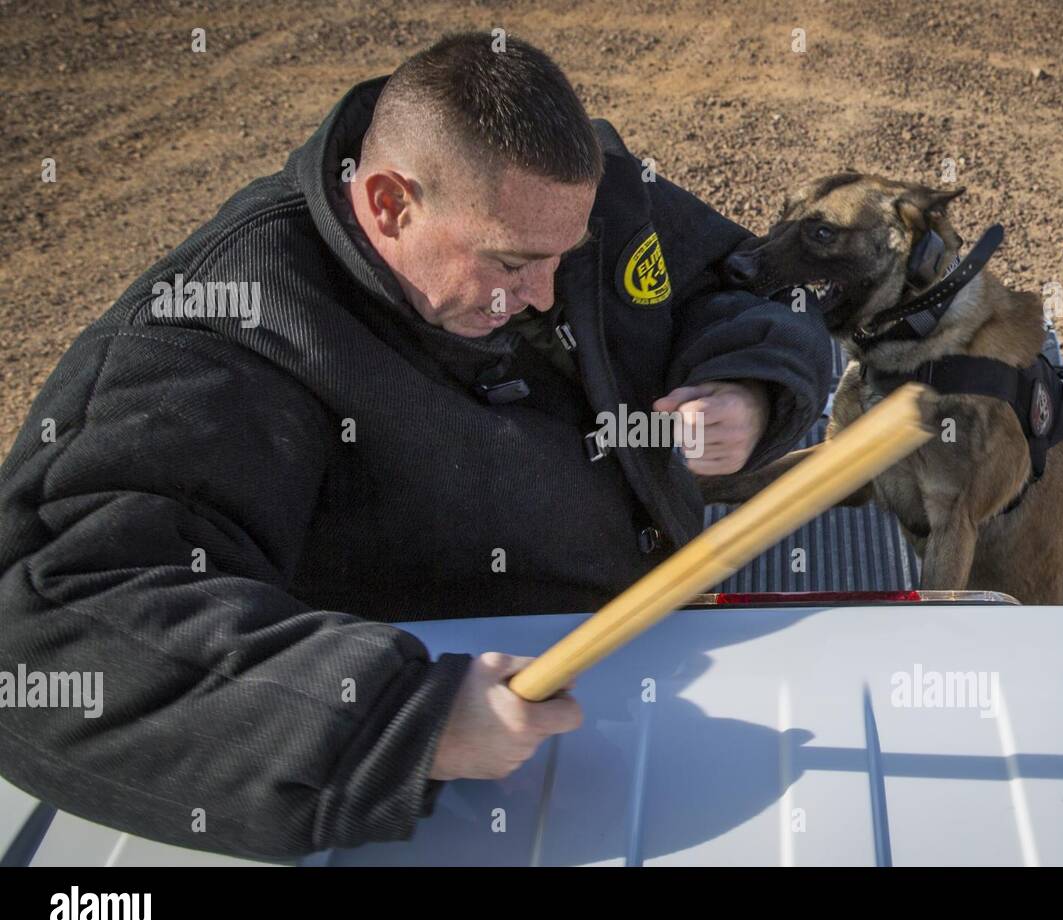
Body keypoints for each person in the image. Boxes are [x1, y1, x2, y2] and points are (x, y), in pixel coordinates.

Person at [0, 32, 831, 861]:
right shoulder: (231, 326)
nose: (545, 295)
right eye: (512, 262)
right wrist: (396, 719)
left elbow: (745, 281)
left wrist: (752, 386)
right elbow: (48, 620)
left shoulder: (569, 200)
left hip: (671, 648)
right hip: (489, 772)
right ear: (391, 205)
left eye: (564, 259)